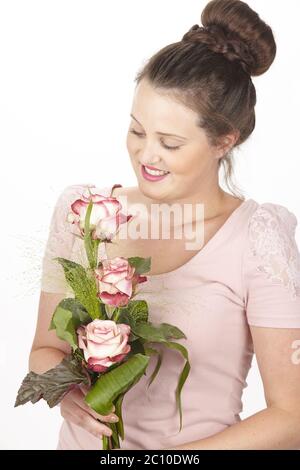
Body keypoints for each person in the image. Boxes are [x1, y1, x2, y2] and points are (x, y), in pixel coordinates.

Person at [29, 0, 300, 450]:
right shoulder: (85, 214)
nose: (146, 156)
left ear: (224, 141)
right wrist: (67, 395)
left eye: (170, 143)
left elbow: (291, 416)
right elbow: (43, 352)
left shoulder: (257, 238)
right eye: (137, 132)